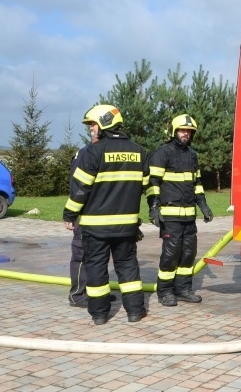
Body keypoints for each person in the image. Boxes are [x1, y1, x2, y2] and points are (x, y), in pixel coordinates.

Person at [63, 104, 149, 324]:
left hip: (96, 226)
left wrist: (69, 214)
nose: (91, 129)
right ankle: (135, 312)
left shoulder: (93, 151)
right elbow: (145, 185)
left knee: (97, 269)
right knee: (128, 267)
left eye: (93, 124)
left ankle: (100, 315)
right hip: (127, 225)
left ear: (104, 123)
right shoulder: (139, 151)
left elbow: (80, 189)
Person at [147, 114, 213, 307]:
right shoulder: (162, 153)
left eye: (189, 131)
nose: (186, 134)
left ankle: (183, 289)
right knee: (171, 254)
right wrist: (153, 207)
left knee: (188, 254)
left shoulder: (192, 155)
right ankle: (165, 292)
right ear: (174, 131)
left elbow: (197, 183)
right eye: (183, 130)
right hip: (170, 216)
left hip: (188, 216)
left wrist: (203, 205)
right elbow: (153, 183)